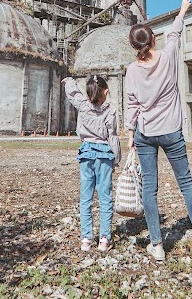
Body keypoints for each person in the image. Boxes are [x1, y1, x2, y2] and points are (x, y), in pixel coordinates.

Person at [125, 0, 192, 261]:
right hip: (171, 130)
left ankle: (157, 245)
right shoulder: (168, 57)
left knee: (149, 188)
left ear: (134, 46)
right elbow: (175, 34)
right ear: (153, 39)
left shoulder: (132, 71)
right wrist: (182, 11)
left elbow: (131, 104)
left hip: (144, 133)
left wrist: (130, 134)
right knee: (186, 185)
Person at [63, 74, 118, 252]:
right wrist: (116, 159)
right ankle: (104, 238)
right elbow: (113, 137)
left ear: (88, 94)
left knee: (85, 198)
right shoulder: (110, 112)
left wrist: (69, 81)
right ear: (106, 92)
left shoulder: (83, 106)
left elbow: (73, 94)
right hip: (104, 155)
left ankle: (86, 239)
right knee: (105, 198)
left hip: (86, 153)